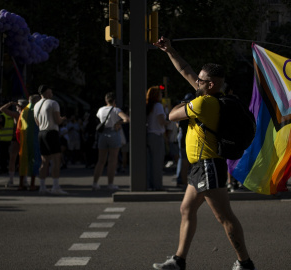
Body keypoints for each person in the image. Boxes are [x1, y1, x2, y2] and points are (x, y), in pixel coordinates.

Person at [152, 36, 255, 270]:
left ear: (210, 85)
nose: (195, 81)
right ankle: (179, 261)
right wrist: (170, 50)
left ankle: (245, 263)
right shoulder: (208, 97)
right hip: (200, 166)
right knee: (186, 209)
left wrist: (183, 101)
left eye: (200, 80)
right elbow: (185, 70)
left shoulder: (203, 104)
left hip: (208, 165)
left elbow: (171, 115)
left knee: (224, 217)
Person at [33, 85, 67, 195]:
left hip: (41, 133)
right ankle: (55, 186)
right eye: (50, 91)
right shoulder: (53, 103)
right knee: (56, 160)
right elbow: (57, 121)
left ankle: (42, 187)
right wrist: (62, 119)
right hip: (51, 132)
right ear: (47, 92)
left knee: (44, 161)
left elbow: (37, 122)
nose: (52, 93)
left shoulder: (36, 105)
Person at [92, 92, 129, 191]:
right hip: (113, 133)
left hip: (102, 134)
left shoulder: (100, 110)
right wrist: (118, 122)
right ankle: (110, 183)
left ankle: (95, 183)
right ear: (114, 101)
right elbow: (127, 119)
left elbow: (100, 119)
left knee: (101, 161)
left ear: (106, 100)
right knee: (112, 160)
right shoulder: (116, 110)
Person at [0, 99, 27, 188]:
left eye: (17, 105)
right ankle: (24, 179)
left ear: (19, 106)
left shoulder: (17, 115)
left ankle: (11, 179)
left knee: (13, 159)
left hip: (16, 139)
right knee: (23, 159)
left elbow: (2, 109)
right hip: (24, 138)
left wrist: (10, 102)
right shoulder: (27, 114)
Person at [16, 94, 41, 191]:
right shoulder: (36, 110)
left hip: (24, 139)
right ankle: (32, 184)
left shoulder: (24, 111)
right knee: (33, 161)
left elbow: (18, 127)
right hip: (34, 139)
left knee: (23, 162)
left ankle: (21, 184)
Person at [146, 86, 166, 191]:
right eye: (160, 93)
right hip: (157, 135)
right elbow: (161, 121)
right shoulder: (158, 106)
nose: (161, 95)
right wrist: (169, 122)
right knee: (158, 162)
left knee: (150, 162)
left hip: (149, 135)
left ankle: (149, 184)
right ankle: (158, 185)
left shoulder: (149, 106)